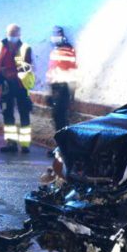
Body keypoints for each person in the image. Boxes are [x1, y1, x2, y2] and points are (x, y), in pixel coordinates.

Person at [0, 24, 35, 153]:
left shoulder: (25, 48)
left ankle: (25, 144)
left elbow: (27, 67)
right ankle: (11, 143)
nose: (13, 36)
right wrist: (0, 73)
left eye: (16, 33)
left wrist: (12, 70)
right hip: (6, 85)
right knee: (7, 113)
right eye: (11, 33)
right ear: (6, 33)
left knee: (24, 113)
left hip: (20, 85)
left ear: (20, 34)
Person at [46, 25, 78, 156]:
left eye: (57, 35)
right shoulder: (55, 50)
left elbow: (71, 71)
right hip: (56, 89)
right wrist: (50, 92)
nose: (55, 38)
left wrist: (71, 94)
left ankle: (64, 148)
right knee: (58, 118)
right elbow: (53, 71)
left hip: (63, 88)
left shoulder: (67, 50)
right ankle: (61, 147)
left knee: (61, 119)